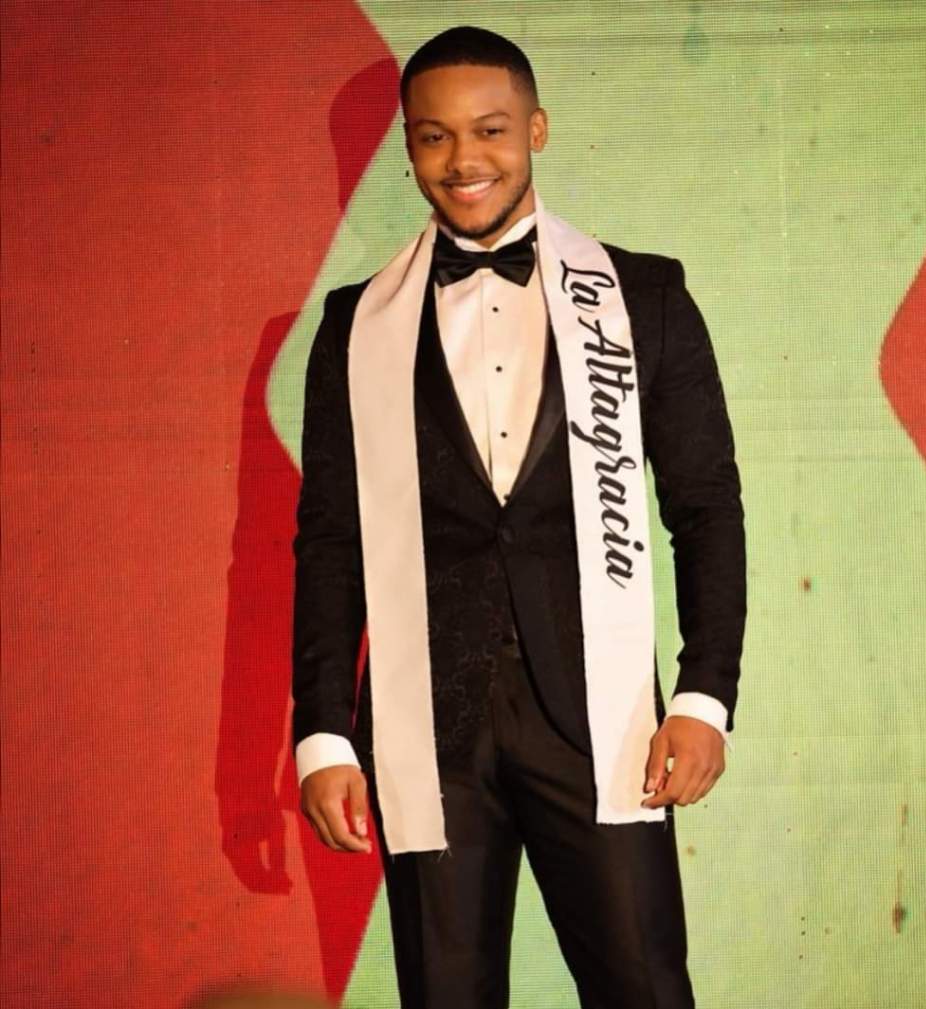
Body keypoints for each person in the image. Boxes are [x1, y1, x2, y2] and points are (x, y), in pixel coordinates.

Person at [291, 25, 746, 1009]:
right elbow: (329, 540)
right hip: (424, 723)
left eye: (490, 129)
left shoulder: (642, 297)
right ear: (409, 146)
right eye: (435, 136)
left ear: (535, 129)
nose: (464, 159)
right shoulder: (356, 325)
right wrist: (323, 733)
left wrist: (705, 695)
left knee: (644, 988)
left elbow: (706, 505)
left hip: (601, 716)